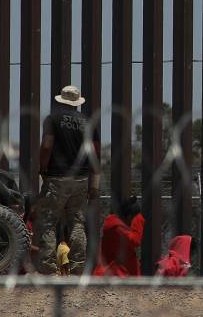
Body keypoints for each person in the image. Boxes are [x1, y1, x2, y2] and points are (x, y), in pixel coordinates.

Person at [33, 85, 101, 275]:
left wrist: (42, 169)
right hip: (81, 179)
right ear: (77, 102)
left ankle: (47, 266)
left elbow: (46, 146)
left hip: (56, 177)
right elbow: (96, 153)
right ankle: (78, 266)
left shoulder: (52, 119)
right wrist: (94, 184)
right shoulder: (88, 122)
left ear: (60, 101)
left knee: (48, 221)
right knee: (77, 223)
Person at [93, 196, 145, 276]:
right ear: (129, 216)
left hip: (118, 273)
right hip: (114, 274)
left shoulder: (116, 223)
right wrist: (139, 220)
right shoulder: (117, 227)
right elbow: (135, 241)